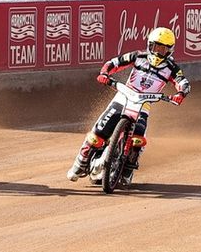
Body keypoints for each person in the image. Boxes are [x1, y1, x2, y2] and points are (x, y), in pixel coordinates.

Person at [67, 27, 191, 185]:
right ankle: (80, 164)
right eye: (155, 47)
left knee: (138, 139)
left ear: (170, 50)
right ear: (149, 45)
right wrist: (104, 73)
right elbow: (114, 62)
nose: (158, 52)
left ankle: (127, 170)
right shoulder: (138, 56)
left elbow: (183, 83)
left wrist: (180, 94)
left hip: (144, 104)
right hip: (123, 97)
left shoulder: (172, 68)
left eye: (163, 49)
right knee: (97, 134)